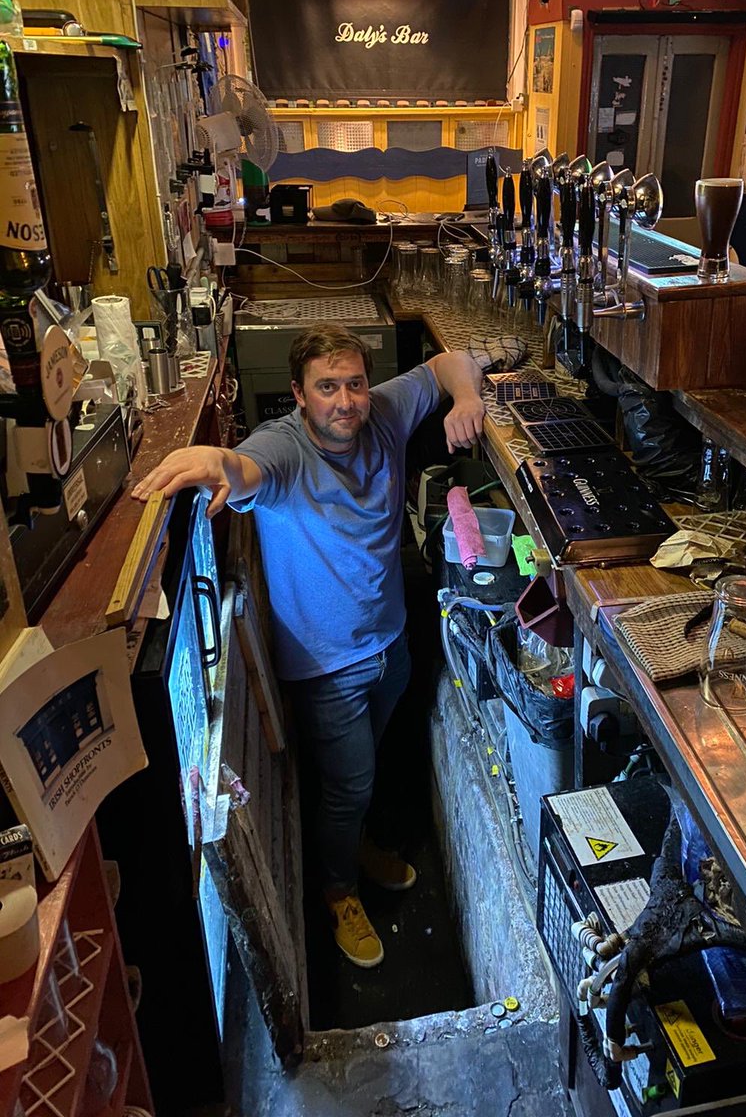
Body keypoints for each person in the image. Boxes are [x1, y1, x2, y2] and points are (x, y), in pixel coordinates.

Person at [132, 324, 486, 968]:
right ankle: (338, 889)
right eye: (327, 388)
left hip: (390, 645)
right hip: (328, 669)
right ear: (298, 394)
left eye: (354, 383)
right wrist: (220, 463)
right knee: (347, 787)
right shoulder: (285, 449)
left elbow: (449, 361)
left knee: (365, 770)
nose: (345, 401)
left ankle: (350, 849)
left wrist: (466, 400)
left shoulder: (383, 410)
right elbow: (246, 470)